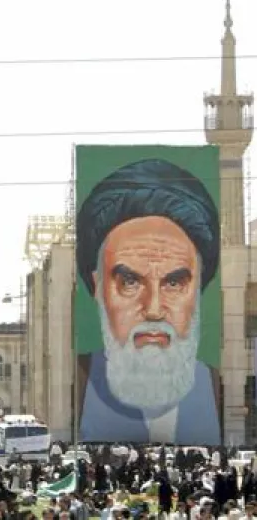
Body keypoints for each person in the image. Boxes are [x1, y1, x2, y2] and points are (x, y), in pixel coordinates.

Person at [75, 157, 221, 445]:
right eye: (129, 282)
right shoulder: (78, 384)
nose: (153, 310)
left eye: (174, 283)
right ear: (98, 287)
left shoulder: (217, 387)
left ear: (198, 289)